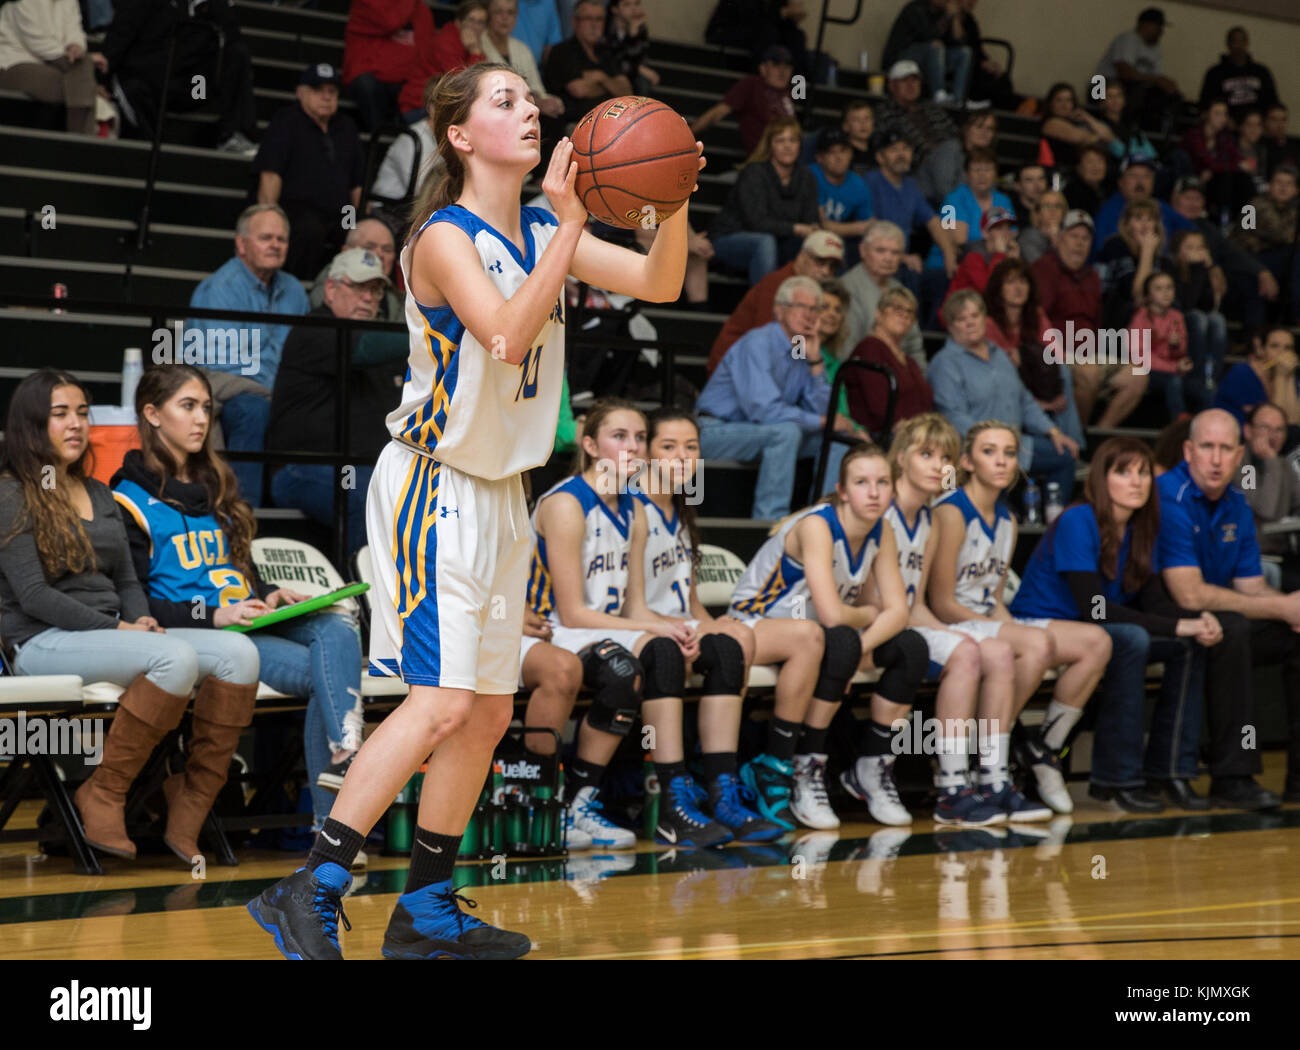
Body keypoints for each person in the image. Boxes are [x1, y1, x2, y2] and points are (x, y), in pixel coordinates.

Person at [247, 61, 699, 960]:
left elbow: (660, 282)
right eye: (506, 100)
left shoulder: (541, 222)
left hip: (504, 495)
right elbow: (504, 333)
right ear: (458, 136)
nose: (531, 110)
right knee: (444, 699)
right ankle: (312, 884)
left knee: (491, 711)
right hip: (432, 487)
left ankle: (425, 909)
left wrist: (670, 189)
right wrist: (572, 225)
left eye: (532, 99)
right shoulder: (441, 239)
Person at [0, 370, 260, 864]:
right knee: (175, 660)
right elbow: (33, 595)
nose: (76, 424)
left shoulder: (98, 492)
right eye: (60, 414)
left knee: (239, 654)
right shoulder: (11, 492)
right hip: (40, 642)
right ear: (32, 424)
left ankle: (191, 802)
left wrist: (143, 621)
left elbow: (125, 580)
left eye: (82, 412)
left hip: (108, 637)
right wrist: (118, 628)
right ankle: (105, 792)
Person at [111, 364, 365, 854]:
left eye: (206, 407)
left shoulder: (215, 486)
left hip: (249, 622)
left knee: (336, 624)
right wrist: (213, 616)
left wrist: (268, 592)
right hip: (204, 637)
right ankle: (337, 815)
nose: (201, 419)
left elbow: (235, 570)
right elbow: (139, 607)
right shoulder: (127, 500)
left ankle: (342, 756)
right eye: (187, 407)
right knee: (327, 675)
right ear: (152, 414)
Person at [530, 400, 735, 848]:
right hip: (549, 629)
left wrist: (673, 627)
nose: (633, 447)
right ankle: (556, 801)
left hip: (598, 628)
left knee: (666, 650)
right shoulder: (567, 503)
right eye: (619, 436)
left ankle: (597, 800)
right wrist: (656, 630)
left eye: (640, 438)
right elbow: (571, 613)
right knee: (636, 662)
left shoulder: (633, 509)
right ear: (589, 444)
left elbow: (635, 607)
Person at [1010, 437, 1220, 812]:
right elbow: (1093, 607)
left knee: (1186, 645)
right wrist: (1175, 626)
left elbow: (1154, 602)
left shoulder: (1142, 528)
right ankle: (1118, 778)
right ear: (1101, 479)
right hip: (1043, 623)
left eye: (1142, 473)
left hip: (1098, 630)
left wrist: (1197, 621)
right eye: (1123, 472)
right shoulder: (1079, 518)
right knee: (1132, 639)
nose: (1137, 481)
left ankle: (1171, 771)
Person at [729, 445, 930, 826]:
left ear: (892, 489)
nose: (873, 492)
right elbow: (833, 614)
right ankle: (801, 767)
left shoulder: (881, 529)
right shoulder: (817, 526)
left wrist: (859, 647)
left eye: (882, 482)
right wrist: (864, 625)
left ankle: (872, 768)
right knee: (839, 639)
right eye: (861, 483)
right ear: (842, 490)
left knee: (911, 648)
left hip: (816, 635)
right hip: (757, 623)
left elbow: (898, 612)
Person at [623, 408, 783, 841]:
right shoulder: (631, 509)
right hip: (634, 632)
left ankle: (722, 792)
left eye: (691, 448)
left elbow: (691, 603)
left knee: (732, 645)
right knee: (675, 653)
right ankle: (673, 797)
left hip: (674, 628)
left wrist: (717, 627)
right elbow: (623, 606)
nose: (681, 458)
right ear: (645, 453)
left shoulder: (682, 511)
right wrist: (682, 629)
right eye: (668, 447)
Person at [926, 421, 1083, 818]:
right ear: (967, 461)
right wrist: (1016, 634)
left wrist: (1013, 629)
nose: (1001, 461)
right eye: (989, 451)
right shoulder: (951, 512)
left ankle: (994, 772)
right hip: (949, 623)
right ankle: (991, 760)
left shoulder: (1009, 520)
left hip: (982, 623)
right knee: (1034, 643)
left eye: (1009, 453)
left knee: (1039, 645)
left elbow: (994, 599)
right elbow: (942, 602)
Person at [1157, 409, 1300, 809]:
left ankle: (1298, 779)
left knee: (1293, 635)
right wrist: (1281, 607)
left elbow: (1250, 585)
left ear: (1240, 456)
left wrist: (1288, 608)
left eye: (1225, 449)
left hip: (1218, 614)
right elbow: (1189, 595)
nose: (1216, 459)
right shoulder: (1170, 495)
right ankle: (1232, 776)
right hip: (1164, 615)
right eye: (1207, 447)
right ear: (1188, 451)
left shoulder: (1237, 503)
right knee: (1234, 627)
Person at [883, 413, 1016, 824]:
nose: (938, 466)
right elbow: (878, 603)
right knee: (967, 653)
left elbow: (917, 602)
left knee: (986, 652)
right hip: (868, 627)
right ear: (901, 458)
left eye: (944, 458)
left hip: (904, 621)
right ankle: (951, 784)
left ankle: (990, 776)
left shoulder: (927, 518)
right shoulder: (880, 510)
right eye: (926, 454)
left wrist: (949, 635)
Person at [268, 248, 407, 557]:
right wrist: (434, 331)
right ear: (330, 289)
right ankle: (362, 596)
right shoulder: (314, 329)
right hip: (300, 469)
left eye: (376, 290)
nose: (370, 298)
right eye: (359, 287)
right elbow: (365, 348)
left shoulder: (381, 350)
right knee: (365, 494)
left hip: (368, 468)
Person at [186, 204, 311, 508]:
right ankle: (242, 512)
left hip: (278, 391)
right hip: (227, 390)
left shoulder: (294, 290)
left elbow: (303, 353)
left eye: (281, 239)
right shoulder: (220, 289)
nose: (275, 245)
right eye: (266, 238)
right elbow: (225, 366)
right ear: (241, 245)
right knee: (252, 409)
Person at [696, 275, 851, 519]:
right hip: (715, 430)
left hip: (759, 433)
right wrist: (822, 421)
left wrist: (816, 363)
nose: (810, 315)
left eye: (815, 308)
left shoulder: (801, 346)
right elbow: (764, 411)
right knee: (787, 432)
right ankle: (769, 525)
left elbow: (822, 412)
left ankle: (823, 517)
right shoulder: (757, 342)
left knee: (836, 439)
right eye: (802, 307)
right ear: (780, 310)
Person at [928, 290, 1079, 498]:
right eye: (961, 319)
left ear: (984, 318)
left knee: (1065, 454)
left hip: (1016, 446)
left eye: (974, 316)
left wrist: (1053, 432)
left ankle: (1055, 519)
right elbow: (953, 416)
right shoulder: (945, 363)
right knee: (996, 507)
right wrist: (991, 442)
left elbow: (1024, 401)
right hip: (974, 453)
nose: (970, 323)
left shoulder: (999, 354)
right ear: (951, 326)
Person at [253, 63, 365, 280]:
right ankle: (299, 288)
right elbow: (270, 174)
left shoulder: (346, 126)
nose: (326, 97)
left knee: (360, 234)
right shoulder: (286, 121)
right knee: (309, 229)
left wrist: (360, 222)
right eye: (318, 90)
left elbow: (357, 183)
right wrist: (268, 216)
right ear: (301, 93)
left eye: (331, 92)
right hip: (297, 209)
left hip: (342, 214)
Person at [99, 0, 257, 153]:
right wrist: (101, 79)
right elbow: (121, 34)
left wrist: (205, 5)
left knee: (237, 52)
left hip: (195, 86)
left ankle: (232, 135)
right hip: (150, 80)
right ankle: (150, 150)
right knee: (132, 87)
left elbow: (231, 34)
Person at [707, 230, 843, 375]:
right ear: (802, 256)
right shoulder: (778, 285)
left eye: (832, 266)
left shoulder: (805, 290)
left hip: (759, 367)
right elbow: (767, 341)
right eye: (820, 262)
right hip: (734, 368)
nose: (825, 271)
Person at [983, 256, 1085, 449]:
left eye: (1023, 281)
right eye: (1011, 282)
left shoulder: (1036, 315)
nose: (1018, 288)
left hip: (1039, 383)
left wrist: (1057, 394)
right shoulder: (989, 322)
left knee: (1063, 369)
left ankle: (1074, 446)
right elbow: (998, 367)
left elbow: (1055, 354)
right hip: (1008, 388)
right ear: (998, 288)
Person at [708, 117, 820, 286]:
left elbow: (809, 220)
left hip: (781, 240)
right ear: (770, 145)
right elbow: (756, 222)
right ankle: (765, 307)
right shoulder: (754, 172)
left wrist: (811, 229)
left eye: (793, 140)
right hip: (731, 237)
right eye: (780, 140)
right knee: (765, 242)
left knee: (819, 245)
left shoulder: (806, 177)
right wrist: (796, 228)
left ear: (800, 145)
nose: (787, 146)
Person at [863, 128, 958, 312]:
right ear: (880, 158)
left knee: (946, 279)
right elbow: (869, 228)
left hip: (903, 262)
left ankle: (928, 335)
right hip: (880, 260)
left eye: (905, 149)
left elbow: (933, 221)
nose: (901, 154)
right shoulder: (870, 182)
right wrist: (902, 257)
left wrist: (949, 254)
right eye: (893, 150)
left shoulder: (910, 186)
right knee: (911, 274)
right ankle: (911, 333)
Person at [1031, 210, 1103, 424]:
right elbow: (1038, 316)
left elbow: (1098, 323)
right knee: (1089, 372)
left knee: (1136, 375)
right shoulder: (1044, 268)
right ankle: (1078, 439)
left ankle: (1097, 433)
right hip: (1055, 353)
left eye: (1085, 238)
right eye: (1073, 236)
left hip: (1089, 353)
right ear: (1059, 238)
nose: (1079, 244)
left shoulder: (1093, 276)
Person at [842, 284, 932, 438]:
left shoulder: (910, 361)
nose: (904, 315)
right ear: (879, 314)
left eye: (910, 312)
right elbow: (879, 407)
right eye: (898, 309)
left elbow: (926, 401)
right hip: (879, 435)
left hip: (913, 433)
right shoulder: (869, 348)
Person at [0, 0, 101, 135]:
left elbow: (74, 29)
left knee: (82, 72)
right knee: (82, 83)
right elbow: (36, 41)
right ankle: (81, 142)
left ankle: (79, 142)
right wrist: (72, 57)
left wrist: (75, 46)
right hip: (13, 62)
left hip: (56, 64)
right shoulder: (22, 2)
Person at [875, 59, 964, 207]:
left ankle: (957, 215)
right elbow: (886, 146)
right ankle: (959, 213)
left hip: (946, 168)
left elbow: (955, 136)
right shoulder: (884, 112)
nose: (911, 85)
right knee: (950, 151)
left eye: (915, 80)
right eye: (904, 81)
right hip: (917, 171)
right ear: (891, 85)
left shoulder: (933, 109)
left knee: (972, 163)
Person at [839, 219, 925, 365]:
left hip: (901, 372)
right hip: (863, 371)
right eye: (880, 250)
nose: (888, 258)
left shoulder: (901, 291)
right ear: (863, 251)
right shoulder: (847, 288)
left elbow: (914, 344)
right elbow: (847, 349)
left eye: (895, 252)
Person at [689, 45, 797, 157]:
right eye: (776, 65)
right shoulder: (752, 84)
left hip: (789, 155)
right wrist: (689, 134)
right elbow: (717, 113)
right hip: (764, 158)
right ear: (763, 68)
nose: (782, 71)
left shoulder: (788, 92)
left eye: (787, 66)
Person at [342, 0, 430, 133]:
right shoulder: (366, 3)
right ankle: (380, 141)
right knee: (367, 86)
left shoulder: (421, 9)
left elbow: (424, 51)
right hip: (371, 78)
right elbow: (390, 21)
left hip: (402, 82)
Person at [1229, 164, 1300, 327]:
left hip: (1283, 262)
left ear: (1296, 190)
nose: (1283, 188)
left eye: (1289, 184)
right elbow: (1240, 240)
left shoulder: (1295, 211)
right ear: (1269, 186)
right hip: (1253, 260)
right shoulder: (1252, 207)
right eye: (1278, 182)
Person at [543, 0, 632, 127]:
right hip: (573, 124)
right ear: (575, 22)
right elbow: (579, 90)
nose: (594, 25)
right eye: (588, 18)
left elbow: (626, 91)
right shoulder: (562, 51)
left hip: (609, 122)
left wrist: (600, 77)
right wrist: (611, 86)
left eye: (599, 19)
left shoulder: (607, 53)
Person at [1241, 402, 1300, 593]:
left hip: (1283, 553)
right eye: (1265, 428)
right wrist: (1270, 459)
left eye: (1279, 430)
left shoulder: (1284, 465)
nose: (1273, 436)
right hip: (1256, 557)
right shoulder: (1245, 465)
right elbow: (1266, 509)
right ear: (1248, 431)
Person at [925, 147, 1011, 272]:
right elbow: (960, 243)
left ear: (995, 173)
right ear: (966, 174)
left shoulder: (1004, 200)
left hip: (989, 266)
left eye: (987, 169)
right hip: (946, 268)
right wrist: (997, 244)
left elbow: (1011, 235)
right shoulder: (951, 200)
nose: (982, 175)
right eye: (976, 170)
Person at [400, 1, 488, 122]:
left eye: (480, 22)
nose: (475, 26)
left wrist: (475, 51)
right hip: (419, 106)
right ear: (458, 22)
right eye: (471, 20)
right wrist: (475, 52)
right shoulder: (446, 42)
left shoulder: (471, 43)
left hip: (442, 104)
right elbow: (465, 85)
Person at [1092, 154, 1194, 257]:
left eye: (1146, 176)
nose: (1140, 182)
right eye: (1133, 176)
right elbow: (1102, 253)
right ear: (1121, 182)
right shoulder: (1108, 211)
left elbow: (1192, 233)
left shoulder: (1162, 207)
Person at [481, 0, 565, 124]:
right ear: (488, 15)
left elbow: (537, 88)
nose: (505, 18)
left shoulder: (521, 48)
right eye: (499, 12)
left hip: (523, 111)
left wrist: (548, 102)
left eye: (510, 13)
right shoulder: (479, 45)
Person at [1094, 7, 1181, 126]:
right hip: (1100, 86)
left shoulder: (1155, 47)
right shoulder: (1128, 39)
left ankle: (1153, 134)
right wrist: (1157, 80)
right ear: (1146, 25)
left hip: (1131, 89)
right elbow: (1125, 73)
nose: (1161, 31)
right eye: (1159, 26)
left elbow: (1156, 77)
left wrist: (1167, 85)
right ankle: (1124, 128)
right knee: (1135, 90)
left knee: (1168, 94)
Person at [1167, 228, 1227, 396]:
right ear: (1177, 250)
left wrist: (1210, 268)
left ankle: (1212, 378)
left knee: (1217, 319)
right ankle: (1195, 375)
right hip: (1176, 318)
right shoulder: (1170, 266)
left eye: (1200, 248)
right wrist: (1198, 269)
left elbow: (1211, 305)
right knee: (1198, 318)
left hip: (1198, 316)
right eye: (1190, 247)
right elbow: (1186, 303)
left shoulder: (1203, 269)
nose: (1196, 252)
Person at [881, 0, 971, 106]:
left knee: (964, 52)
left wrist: (955, 18)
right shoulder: (915, 8)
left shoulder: (943, 13)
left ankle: (959, 99)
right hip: (901, 57)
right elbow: (928, 35)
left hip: (931, 60)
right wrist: (946, 17)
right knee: (935, 46)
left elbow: (959, 42)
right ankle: (939, 93)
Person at [309, 219, 403, 322]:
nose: (379, 255)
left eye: (387, 250)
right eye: (369, 247)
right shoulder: (334, 279)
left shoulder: (399, 296)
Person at [1133, 271, 1195, 419]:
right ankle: (1180, 425)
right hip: (1144, 371)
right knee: (1173, 381)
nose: (1165, 293)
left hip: (1172, 369)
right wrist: (1175, 367)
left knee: (1204, 389)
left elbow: (1181, 351)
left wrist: (1176, 347)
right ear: (1148, 295)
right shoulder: (1140, 318)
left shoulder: (1177, 316)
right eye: (1159, 289)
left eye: (1169, 288)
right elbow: (1140, 357)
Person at [1215, 325, 1300, 433]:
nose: (1282, 353)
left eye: (1288, 348)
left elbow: (1294, 423)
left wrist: (1289, 378)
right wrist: (1281, 377)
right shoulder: (1242, 373)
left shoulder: (1291, 377)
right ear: (1262, 349)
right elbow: (1273, 425)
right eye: (1274, 346)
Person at [1180, 98, 1254, 218]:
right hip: (1193, 178)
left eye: (1225, 114)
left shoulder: (1225, 137)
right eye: (1217, 113)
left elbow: (1238, 159)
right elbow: (1207, 162)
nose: (1222, 118)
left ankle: (1245, 222)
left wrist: (1220, 167)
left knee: (1244, 180)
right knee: (1226, 176)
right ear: (1206, 115)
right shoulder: (1194, 135)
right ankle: (1221, 217)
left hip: (1216, 179)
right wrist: (1230, 166)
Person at [1197, 26, 1279, 123]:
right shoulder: (1215, 73)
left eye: (1241, 41)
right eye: (1234, 41)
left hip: (1257, 127)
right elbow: (1205, 105)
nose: (1238, 45)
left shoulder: (1261, 72)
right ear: (1228, 44)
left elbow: (1273, 103)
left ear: (1247, 43)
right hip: (1225, 127)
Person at [810, 127, 874, 253]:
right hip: (807, 238)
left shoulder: (858, 184)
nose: (838, 157)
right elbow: (822, 225)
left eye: (843, 151)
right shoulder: (810, 175)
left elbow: (870, 227)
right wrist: (860, 227)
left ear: (851, 154)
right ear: (819, 158)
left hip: (840, 242)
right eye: (831, 152)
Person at [942, 205, 1018, 300]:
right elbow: (988, 290)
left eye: (1008, 228)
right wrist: (1000, 255)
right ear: (985, 233)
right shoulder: (973, 256)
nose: (1006, 233)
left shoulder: (1009, 254)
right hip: (959, 310)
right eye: (999, 228)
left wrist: (1015, 262)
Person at [1039, 82, 1114, 172]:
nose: (1064, 104)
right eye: (1059, 100)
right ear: (1051, 103)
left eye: (1069, 100)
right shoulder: (1050, 123)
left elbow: (1109, 136)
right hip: (1060, 170)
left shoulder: (1078, 122)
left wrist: (1088, 118)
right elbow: (1081, 137)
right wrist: (1100, 138)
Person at [601, 0, 659, 95]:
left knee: (641, 80)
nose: (633, 9)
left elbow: (639, 58)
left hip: (630, 72)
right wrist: (638, 69)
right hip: (609, 71)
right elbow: (611, 60)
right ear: (615, 9)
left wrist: (633, 35)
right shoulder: (605, 28)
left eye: (636, 3)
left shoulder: (640, 27)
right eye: (626, 4)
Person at [1018, 190, 1068, 265]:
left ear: (1064, 212)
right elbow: (1041, 268)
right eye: (1046, 206)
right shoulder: (1027, 238)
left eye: (1057, 206)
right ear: (1037, 213)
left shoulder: (1071, 235)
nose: (1052, 210)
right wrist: (1054, 243)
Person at [1063, 145, 1112, 218]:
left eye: (1100, 161)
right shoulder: (1071, 194)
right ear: (1078, 167)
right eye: (1090, 161)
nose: (1095, 166)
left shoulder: (1113, 190)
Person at [511, 0, 564, 65]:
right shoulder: (505, 3)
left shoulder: (548, 2)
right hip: (506, 66)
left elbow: (553, 45)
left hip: (538, 69)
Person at [1260, 105, 1299, 180]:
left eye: (1283, 119)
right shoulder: (1259, 146)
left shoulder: (1296, 144)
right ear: (1266, 121)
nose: (1280, 124)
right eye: (1274, 119)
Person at [1010, 163, 1048, 230]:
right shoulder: (1010, 213)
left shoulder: (1054, 209)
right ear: (1017, 185)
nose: (1037, 185)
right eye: (1029, 180)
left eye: (1041, 179)